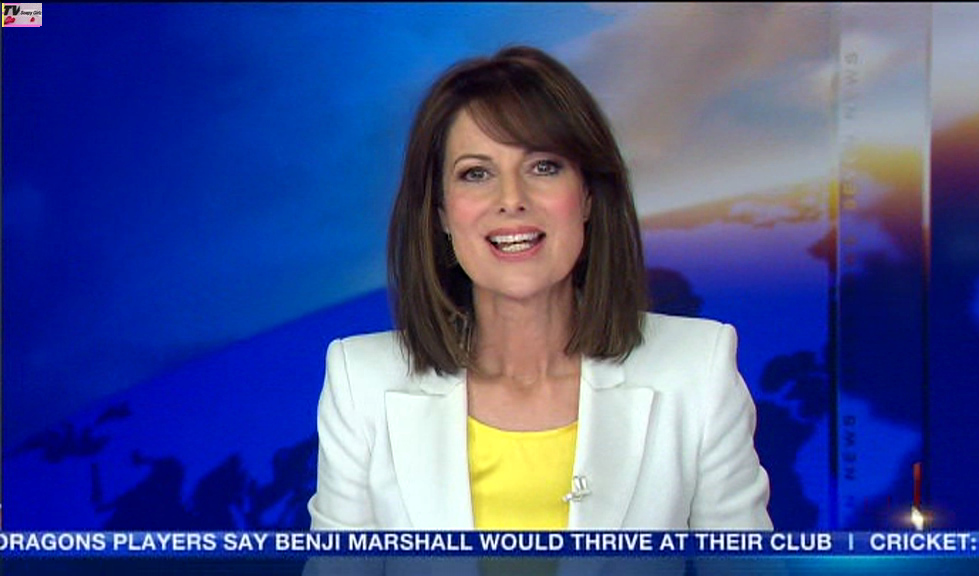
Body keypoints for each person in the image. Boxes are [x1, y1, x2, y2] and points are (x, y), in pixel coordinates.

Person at [307, 45, 771, 531]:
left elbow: (743, 564)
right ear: (441, 212)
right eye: (476, 174)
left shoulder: (697, 370)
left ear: (587, 196)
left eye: (543, 166)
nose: (512, 200)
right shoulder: (361, 382)